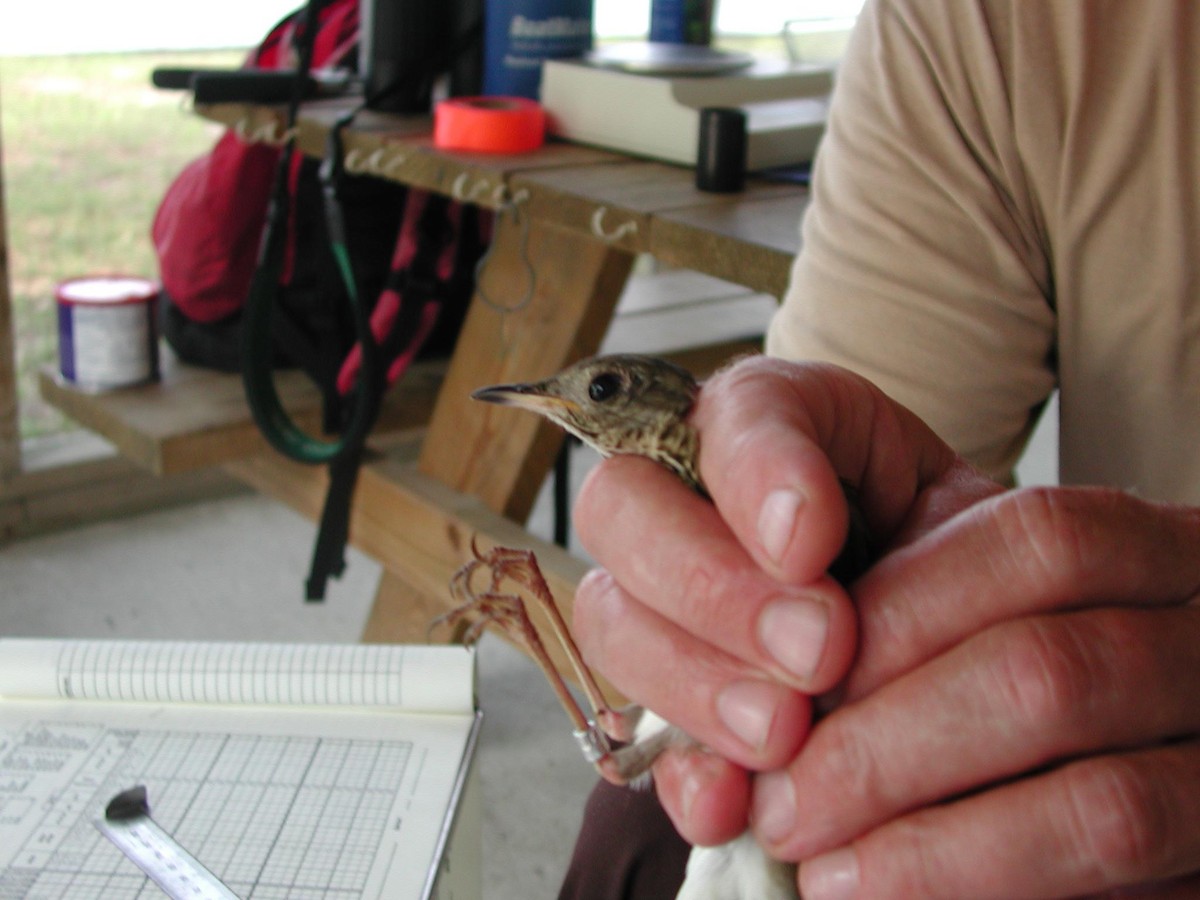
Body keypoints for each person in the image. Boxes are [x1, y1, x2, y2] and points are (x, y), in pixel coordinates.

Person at [558, 0, 1200, 896]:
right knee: (635, 832)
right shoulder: (982, 24)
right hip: (854, 745)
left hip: (1139, 771)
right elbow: (852, 443)